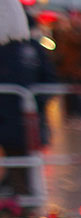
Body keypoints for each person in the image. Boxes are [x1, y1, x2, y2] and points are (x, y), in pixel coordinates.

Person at [0, 0, 55, 198]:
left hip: (23, 118)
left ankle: (23, 202)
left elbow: (49, 78)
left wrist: (35, 104)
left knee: (23, 163)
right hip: (10, 117)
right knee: (18, 162)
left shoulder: (30, 48)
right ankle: (20, 199)